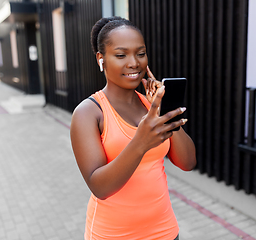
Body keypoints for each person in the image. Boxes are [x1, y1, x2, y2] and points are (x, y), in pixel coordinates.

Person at [70, 16, 196, 240]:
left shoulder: (151, 104)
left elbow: (188, 163)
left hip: (164, 231)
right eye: (121, 55)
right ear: (101, 59)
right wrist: (140, 142)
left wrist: (166, 111)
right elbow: (100, 187)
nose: (134, 63)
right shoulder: (89, 113)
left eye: (140, 53)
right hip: (112, 235)